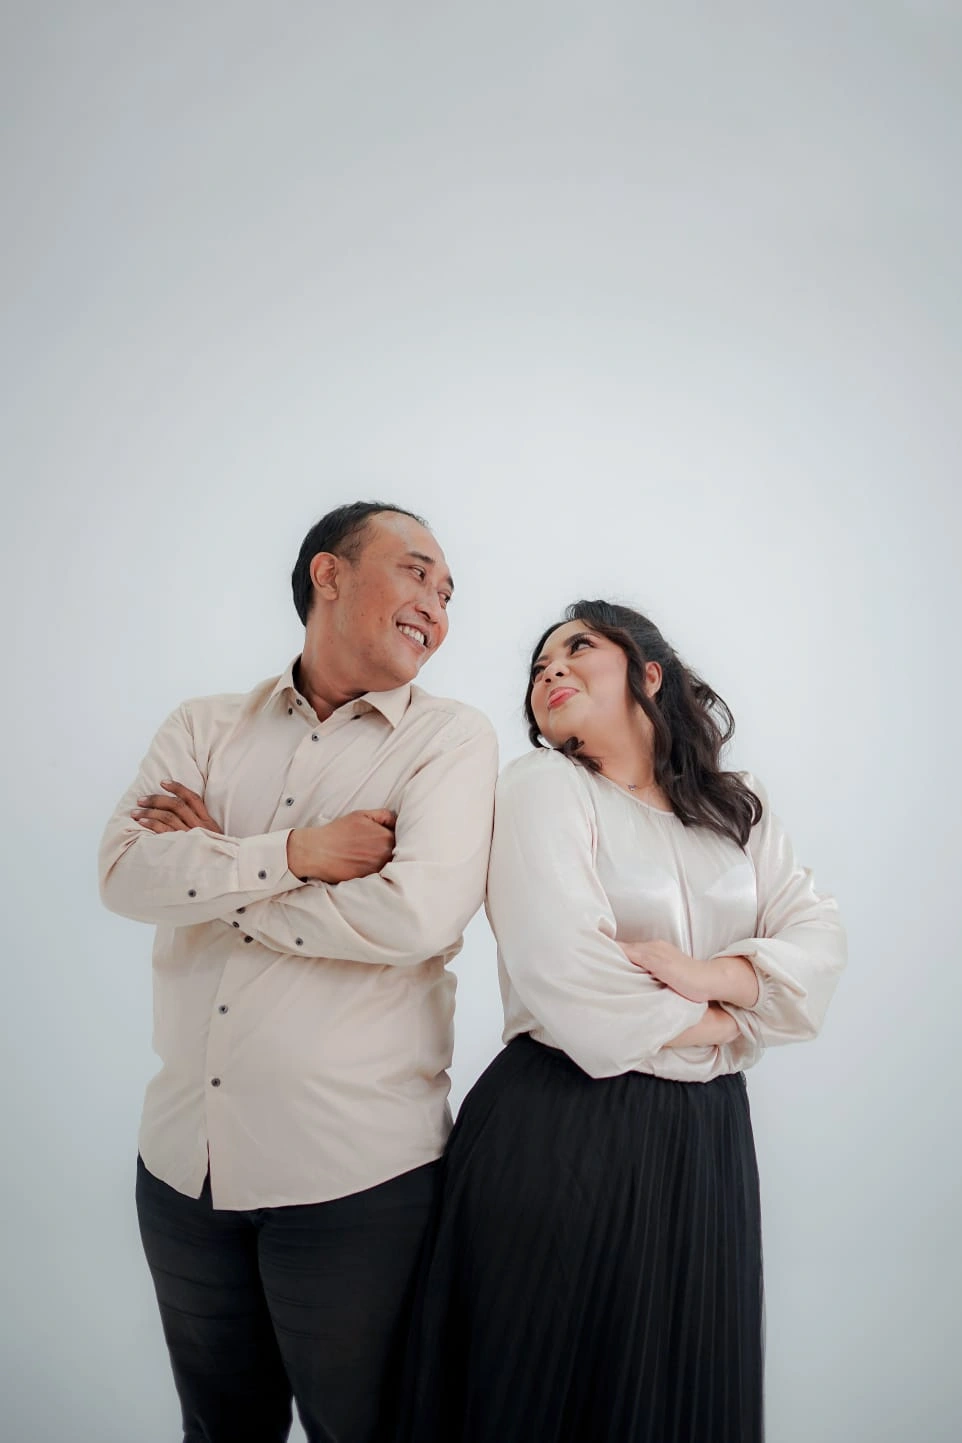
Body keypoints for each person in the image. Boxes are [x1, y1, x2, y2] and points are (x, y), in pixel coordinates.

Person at [396, 599, 846, 1443]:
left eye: (578, 647)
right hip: (563, 1125)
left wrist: (708, 976)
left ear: (650, 673)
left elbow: (817, 942)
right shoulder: (542, 787)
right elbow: (570, 977)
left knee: (682, 1394)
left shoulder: (736, 806)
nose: (551, 670)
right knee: (545, 1389)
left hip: (707, 1142)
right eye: (538, 667)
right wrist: (742, 1018)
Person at [98, 501, 498, 1443]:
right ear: (329, 574)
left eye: (448, 594)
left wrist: (218, 867)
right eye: (417, 572)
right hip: (183, 1171)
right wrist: (299, 853)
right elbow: (123, 874)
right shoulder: (203, 725)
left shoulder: (450, 741)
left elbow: (413, 914)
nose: (436, 605)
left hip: (358, 1185)